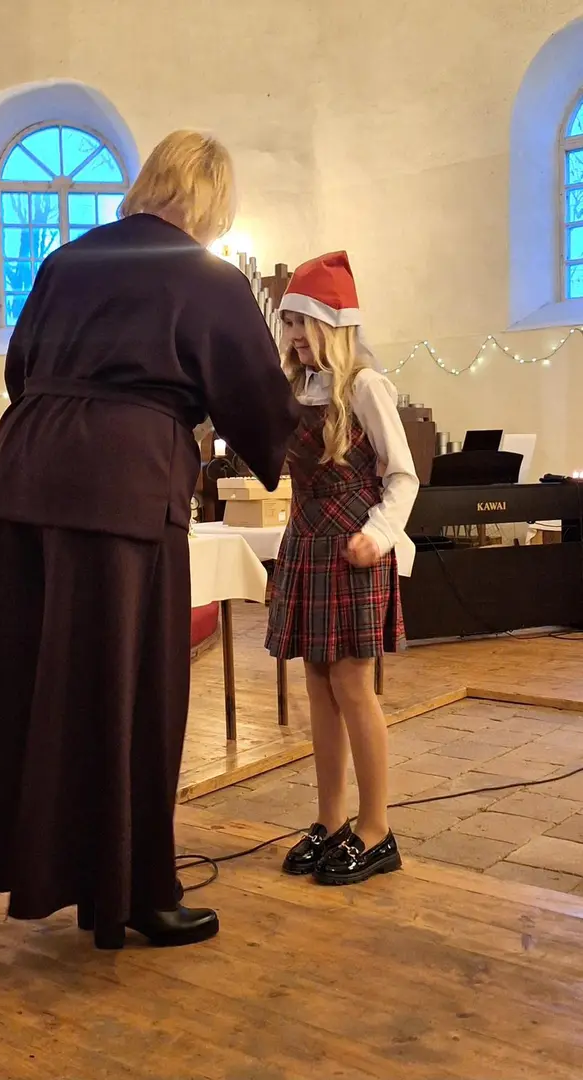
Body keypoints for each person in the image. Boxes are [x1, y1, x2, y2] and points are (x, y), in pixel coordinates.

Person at [0, 130, 299, 949]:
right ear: (212, 199)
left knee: (30, 682)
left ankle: (48, 867)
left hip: (24, 474)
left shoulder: (66, 261)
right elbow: (256, 398)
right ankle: (131, 891)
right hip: (122, 483)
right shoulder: (205, 277)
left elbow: (21, 371)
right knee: (127, 689)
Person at [265, 251, 419, 886]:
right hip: (307, 545)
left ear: (334, 324)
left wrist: (378, 537)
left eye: (303, 322)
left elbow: (403, 476)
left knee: (353, 685)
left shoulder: (365, 387)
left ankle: (376, 828)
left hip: (355, 548)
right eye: (288, 323)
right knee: (317, 684)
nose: (295, 335)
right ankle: (331, 820)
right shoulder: (296, 390)